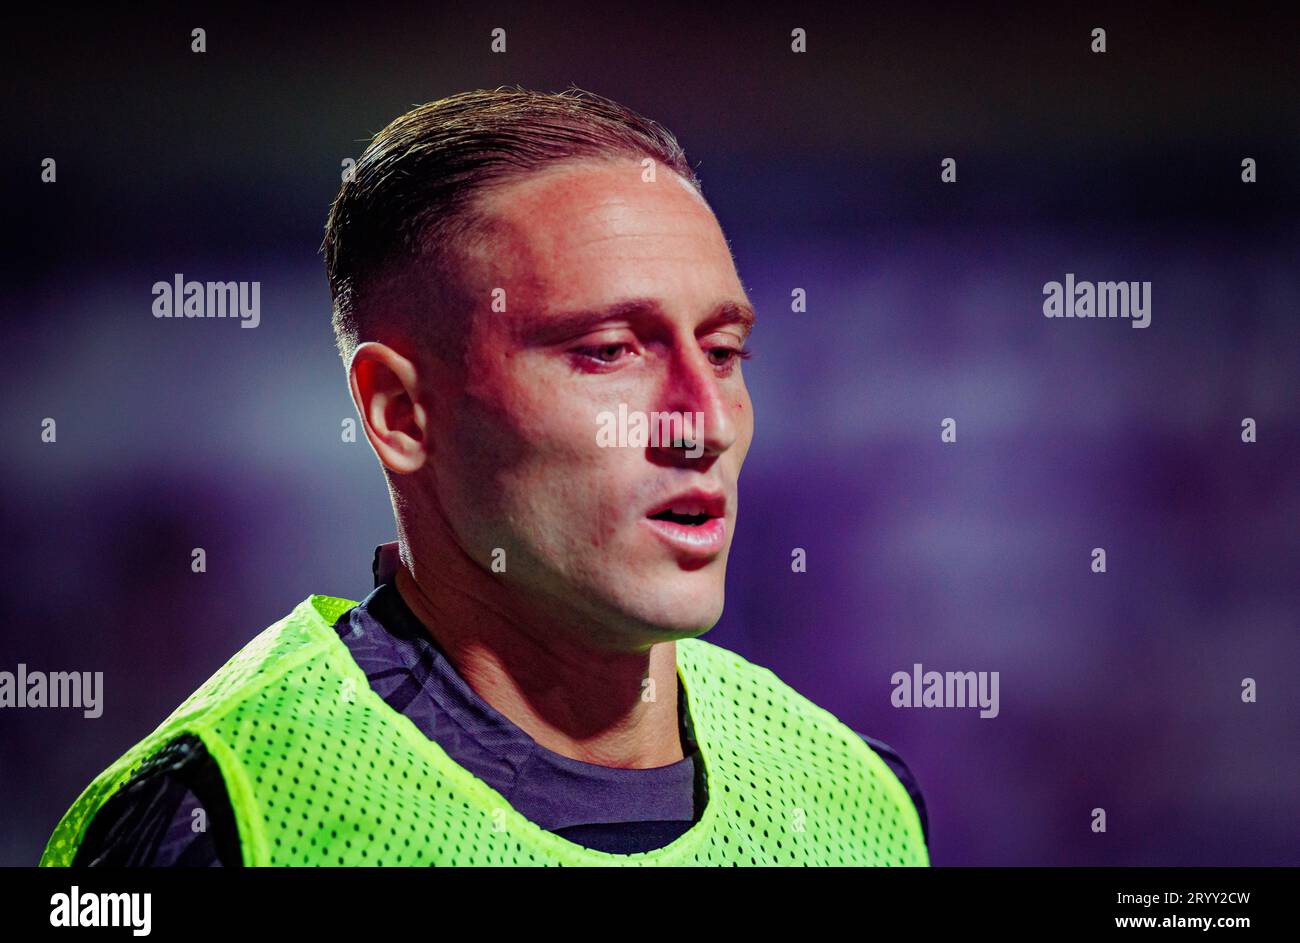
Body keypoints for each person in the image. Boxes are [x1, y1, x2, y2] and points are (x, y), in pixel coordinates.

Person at [41, 87, 929, 866]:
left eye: (724, 350)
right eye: (609, 352)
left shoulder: (859, 798)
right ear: (400, 412)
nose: (702, 422)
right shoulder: (223, 816)